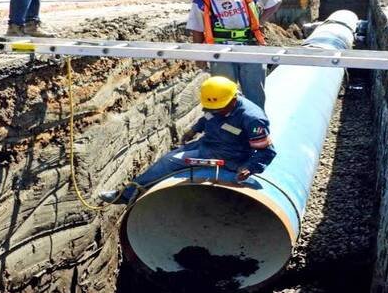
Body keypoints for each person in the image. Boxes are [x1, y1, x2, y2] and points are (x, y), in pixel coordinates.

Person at [98, 76, 277, 205]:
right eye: (212, 108)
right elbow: (207, 117)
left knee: (168, 162)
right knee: (168, 157)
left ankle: (126, 195)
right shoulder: (216, 106)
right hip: (207, 144)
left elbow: (267, 151)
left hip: (230, 157)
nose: (216, 111)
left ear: (233, 98)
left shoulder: (252, 119)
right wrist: (194, 130)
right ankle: (131, 191)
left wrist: (249, 168)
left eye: (219, 108)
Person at [186, 0, 281, 109]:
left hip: (251, 47)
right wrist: (200, 54)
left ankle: (256, 127)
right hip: (220, 51)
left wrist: (260, 22)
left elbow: (274, 2)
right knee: (223, 94)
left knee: (255, 93)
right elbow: (197, 27)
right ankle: (227, 129)